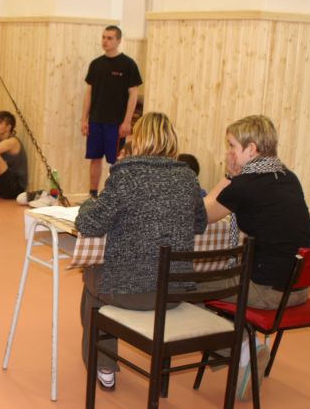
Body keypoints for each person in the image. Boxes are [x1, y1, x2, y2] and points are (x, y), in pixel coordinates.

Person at [74, 112, 207, 391]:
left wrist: (88, 204)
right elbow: (199, 224)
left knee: (92, 279)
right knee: (101, 279)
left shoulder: (126, 175)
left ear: (139, 139)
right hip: (174, 293)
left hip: (131, 292)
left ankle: (104, 364)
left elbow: (90, 224)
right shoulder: (188, 177)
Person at [203, 114, 310, 399]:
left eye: (232, 146)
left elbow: (202, 215)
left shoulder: (245, 184)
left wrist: (229, 177)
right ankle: (238, 349)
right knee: (218, 281)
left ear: (251, 149)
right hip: (298, 288)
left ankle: (244, 349)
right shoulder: (288, 177)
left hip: (267, 292)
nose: (228, 152)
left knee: (185, 285)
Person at [81, 25, 142, 199]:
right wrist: (84, 119)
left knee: (116, 161)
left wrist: (127, 121)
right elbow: (89, 93)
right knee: (94, 158)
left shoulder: (128, 64)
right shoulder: (96, 64)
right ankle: (93, 195)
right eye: (103, 37)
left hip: (115, 123)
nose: (105, 41)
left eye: (109, 38)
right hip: (96, 120)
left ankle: (114, 196)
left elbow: (133, 94)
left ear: (118, 40)